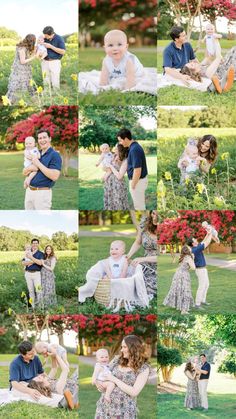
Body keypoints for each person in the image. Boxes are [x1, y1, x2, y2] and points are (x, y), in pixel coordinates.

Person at [95, 335, 150, 418]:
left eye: (124, 347)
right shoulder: (117, 360)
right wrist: (99, 384)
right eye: (121, 347)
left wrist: (114, 379)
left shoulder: (143, 368)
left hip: (124, 410)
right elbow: (104, 374)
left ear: (133, 348)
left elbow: (134, 392)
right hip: (106, 406)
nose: (121, 350)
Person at [23, 129, 62, 210]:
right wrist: (30, 169)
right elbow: (24, 172)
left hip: (42, 193)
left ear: (50, 138)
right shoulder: (36, 152)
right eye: (40, 138)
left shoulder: (55, 155)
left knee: (42, 220)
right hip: (29, 191)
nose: (42, 140)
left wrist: (38, 164)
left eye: (44, 137)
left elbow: (55, 176)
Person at [127, 211, 157, 300]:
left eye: (158, 215)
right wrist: (128, 255)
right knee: (132, 280)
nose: (155, 217)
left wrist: (142, 259)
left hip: (157, 266)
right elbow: (138, 242)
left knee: (145, 287)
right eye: (153, 213)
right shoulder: (144, 225)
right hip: (145, 265)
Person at [117, 128, 148, 210]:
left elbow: (137, 170)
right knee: (140, 205)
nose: (120, 143)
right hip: (139, 181)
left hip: (137, 182)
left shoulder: (134, 149)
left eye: (120, 140)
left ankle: (143, 222)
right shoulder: (134, 147)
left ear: (126, 139)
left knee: (139, 207)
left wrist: (133, 184)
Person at [163, 245, 195, 315]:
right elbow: (193, 268)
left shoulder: (183, 257)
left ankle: (182, 307)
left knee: (179, 290)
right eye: (190, 248)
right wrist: (193, 259)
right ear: (188, 250)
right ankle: (184, 310)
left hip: (177, 274)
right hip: (183, 275)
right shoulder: (189, 258)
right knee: (185, 291)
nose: (191, 248)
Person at [6, 34, 37, 104]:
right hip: (20, 70)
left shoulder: (24, 47)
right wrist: (34, 57)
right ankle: (12, 101)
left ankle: (24, 100)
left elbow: (27, 57)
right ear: (31, 41)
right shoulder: (22, 48)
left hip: (25, 69)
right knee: (17, 84)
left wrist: (34, 52)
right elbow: (22, 61)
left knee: (26, 84)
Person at [187, 232, 213, 309]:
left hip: (203, 269)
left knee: (206, 285)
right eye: (194, 239)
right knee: (201, 286)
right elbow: (207, 242)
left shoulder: (197, 247)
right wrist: (212, 232)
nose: (196, 239)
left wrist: (208, 234)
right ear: (192, 243)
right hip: (200, 270)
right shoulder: (195, 249)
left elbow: (204, 241)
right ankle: (197, 304)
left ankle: (203, 300)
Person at [104, 144, 129, 210]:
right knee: (111, 200)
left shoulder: (125, 160)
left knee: (118, 201)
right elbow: (106, 167)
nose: (114, 150)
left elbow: (119, 176)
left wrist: (111, 166)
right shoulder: (113, 156)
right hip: (110, 184)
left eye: (116, 149)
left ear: (120, 150)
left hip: (117, 184)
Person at [22, 238, 44, 308]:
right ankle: (33, 306)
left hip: (36, 274)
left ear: (38, 244)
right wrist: (34, 261)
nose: (34, 244)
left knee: (38, 290)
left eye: (36, 243)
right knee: (31, 291)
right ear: (31, 244)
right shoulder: (27, 252)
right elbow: (23, 263)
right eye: (33, 243)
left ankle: (41, 307)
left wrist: (31, 258)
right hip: (28, 274)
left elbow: (40, 263)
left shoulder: (41, 253)